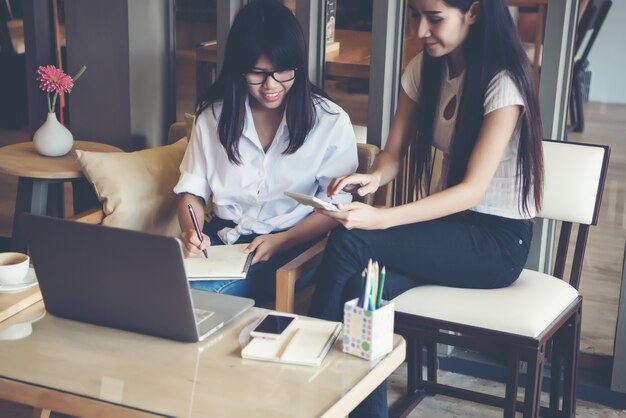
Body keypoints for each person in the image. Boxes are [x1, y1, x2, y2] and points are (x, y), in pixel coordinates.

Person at [308, 0, 544, 416]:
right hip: (450, 228)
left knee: (351, 243)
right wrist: (375, 178)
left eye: (434, 19)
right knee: (361, 293)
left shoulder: (504, 82)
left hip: (497, 243)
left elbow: (471, 191)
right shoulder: (426, 67)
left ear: (473, 11)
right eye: (416, 16)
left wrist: (380, 219)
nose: (419, 30)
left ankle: (308, 382)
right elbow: (394, 152)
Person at [174, 0, 357, 305]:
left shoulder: (329, 121)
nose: (271, 86)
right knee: (150, 289)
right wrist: (191, 231)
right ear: (238, 68)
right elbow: (191, 192)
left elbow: (335, 208)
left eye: (282, 72)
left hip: (292, 246)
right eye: (257, 74)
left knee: (193, 301)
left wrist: (281, 241)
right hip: (222, 244)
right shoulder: (214, 116)